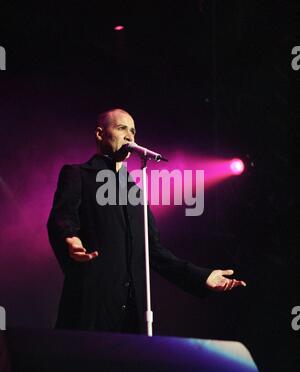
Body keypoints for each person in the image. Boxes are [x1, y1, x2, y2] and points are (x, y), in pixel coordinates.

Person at [47, 108, 246, 334]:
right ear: (100, 134)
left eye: (133, 131)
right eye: (121, 128)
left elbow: (154, 251)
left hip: (132, 318)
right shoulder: (78, 174)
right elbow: (62, 217)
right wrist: (70, 239)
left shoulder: (136, 193)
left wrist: (202, 277)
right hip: (91, 312)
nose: (130, 136)